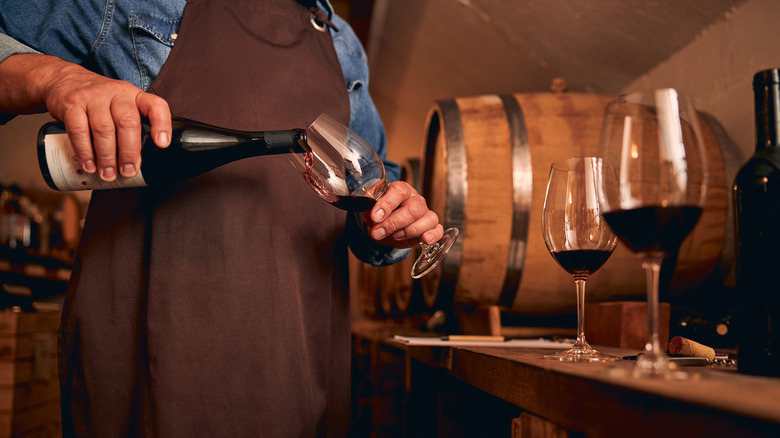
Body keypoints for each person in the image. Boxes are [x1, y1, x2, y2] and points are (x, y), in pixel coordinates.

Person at [0, 1, 444, 436]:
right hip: (154, 352)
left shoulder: (343, 42)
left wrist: (391, 221)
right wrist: (58, 77)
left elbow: (373, 194)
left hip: (299, 358)